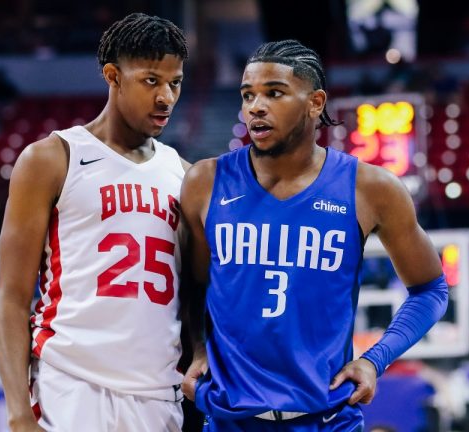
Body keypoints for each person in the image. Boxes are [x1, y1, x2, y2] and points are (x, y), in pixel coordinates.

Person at [180, 40, 449, 431]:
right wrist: (199, 349)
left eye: (274, 93)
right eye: (247, 95)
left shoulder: (370, 189)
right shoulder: (205, 181)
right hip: (229, 420)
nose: (256, 106)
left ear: (315, 102)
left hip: (327, 419)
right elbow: (193, 283)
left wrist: (375, 358)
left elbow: (431, 290)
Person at [0, 13, 189, 432]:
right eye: (151, 80)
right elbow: (11, 298)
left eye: (175, 83)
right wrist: (17, 413)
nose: (166, 97)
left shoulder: (184, 174)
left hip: (156, 395)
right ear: (113, 76)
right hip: (70, 387)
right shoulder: (52, 158)